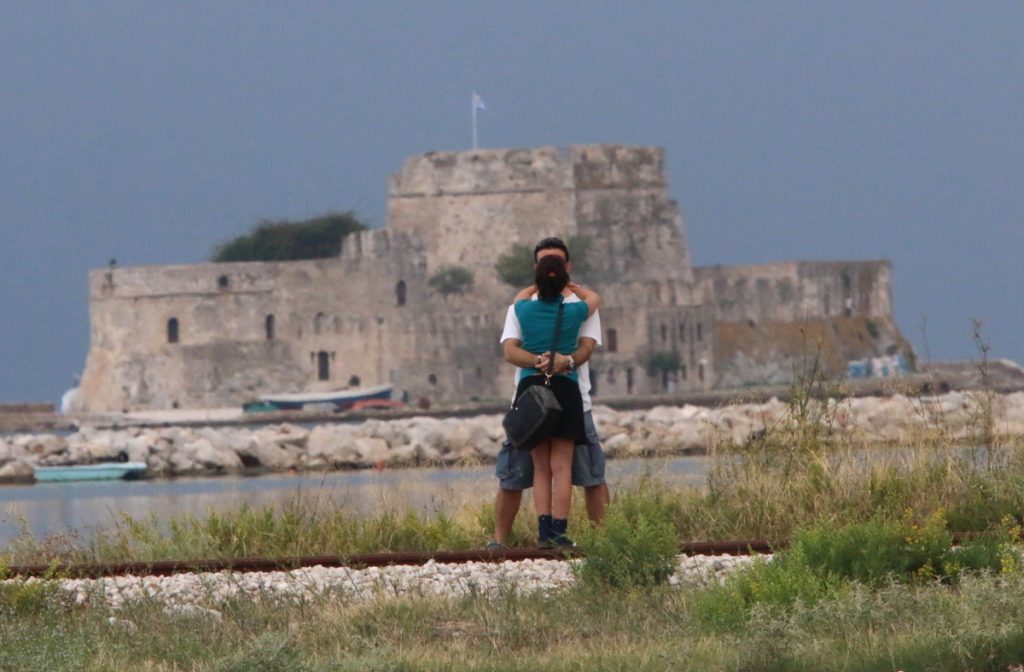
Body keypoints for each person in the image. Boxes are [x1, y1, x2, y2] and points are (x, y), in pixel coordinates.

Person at [489, 237, 610, 549]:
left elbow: (511, 349)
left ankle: (541, 531)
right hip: (568, 391)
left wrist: (537, 362)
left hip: (531, 393)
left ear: (537, 274)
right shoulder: (577, 311)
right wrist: (560, 362)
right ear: (566, 272)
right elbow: (589, 330)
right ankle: (559, 531)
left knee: (541, 468)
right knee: (563, 467)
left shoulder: (522, 308)